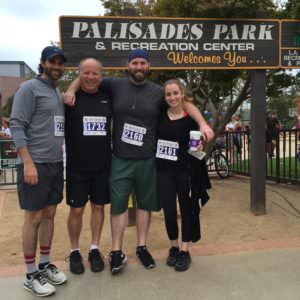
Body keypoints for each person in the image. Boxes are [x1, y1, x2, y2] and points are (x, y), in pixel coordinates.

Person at [64, 49, 214, 275]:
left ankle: (142, 247)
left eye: (143, 62)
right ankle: (116, 250)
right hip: (121, 159)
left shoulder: (157, 92)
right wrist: (71, 88)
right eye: (135, 62)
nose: (139, 66)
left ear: (148, 66)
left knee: (145, 205)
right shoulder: (114, 85)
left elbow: (185, 104)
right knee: (118, 206)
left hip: (148, 159)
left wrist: (202, 123)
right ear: (128, 65)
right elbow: (88, 75)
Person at [10, 46, 67, 297]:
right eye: (52, 62)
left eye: (60, 63)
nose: (57, 66)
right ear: (43, 63)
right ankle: (31, 274)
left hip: (55, 163)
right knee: (33, 218)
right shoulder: (28, 88)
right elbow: (17, 124)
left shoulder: (55, 91)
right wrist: (28, 163)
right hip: (35, 163)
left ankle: (44, 265)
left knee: (50, 214)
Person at [156, 79, 211, 272]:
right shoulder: (160, 116)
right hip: (163, 172)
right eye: (168, 94)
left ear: (182, 94)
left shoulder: (191, 121)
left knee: (186, 210)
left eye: (175, 93)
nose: (172, 97)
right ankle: (174, 246)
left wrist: (200, 147)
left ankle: (185, 250)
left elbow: (195, 149)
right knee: (169, 212)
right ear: (165, 98)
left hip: (184, 172)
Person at [65, 58, 112, 274]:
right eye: (86, 73)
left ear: (101, 75)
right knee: (77, 209)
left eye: (95, 73)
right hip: (77, 167)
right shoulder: (69, 99)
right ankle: (74, 251)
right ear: (79, 74)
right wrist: (71, 89)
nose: (91, 77)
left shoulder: (107, 96)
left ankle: (94, 248)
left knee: (99, 207)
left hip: (103, 165)